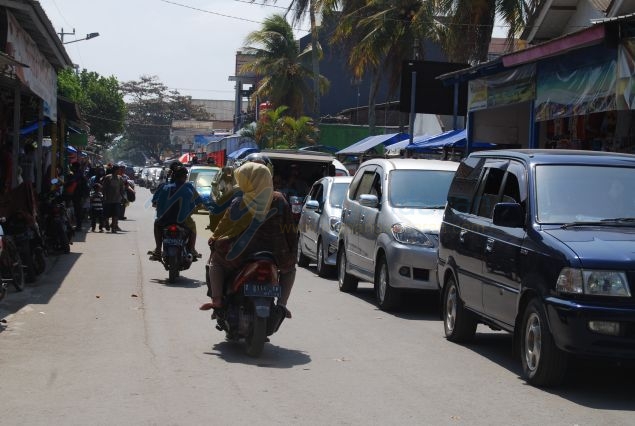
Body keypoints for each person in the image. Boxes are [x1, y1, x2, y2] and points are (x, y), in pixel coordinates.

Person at [201, 161, 297, 318]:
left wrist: (214, 239)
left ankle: (217, 300)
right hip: (277, 254)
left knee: (215, 262)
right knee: (290, 269)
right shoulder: (280, 200)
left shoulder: (240, 201)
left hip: (241, 255)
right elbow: (291, 230)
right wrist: (291, 252)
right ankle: (282, 304)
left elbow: (223, 227)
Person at [149, 165, 213, 260]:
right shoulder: (189, 187)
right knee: (193, 226)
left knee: (156, 224)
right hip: (184, 221)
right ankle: (192, 249)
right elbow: (200, 203)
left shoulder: (165, 187)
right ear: (185, 177)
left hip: (165, 220)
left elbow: (155, 202)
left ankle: (158, 249)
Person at [101, 165, 126, 233]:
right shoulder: (108, 177)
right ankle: (106, 223)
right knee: (106, 214)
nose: (119, 171)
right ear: (115, 170)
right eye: (118, 170)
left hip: (117, 199)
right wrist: (104, 196)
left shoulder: (120, 178)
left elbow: (121, 189)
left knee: (115, 214)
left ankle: (114, 228)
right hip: (108, 199)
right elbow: (104, 188)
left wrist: (123, 197)